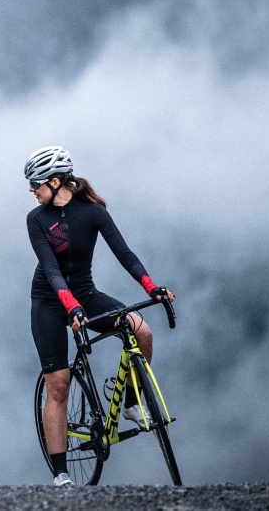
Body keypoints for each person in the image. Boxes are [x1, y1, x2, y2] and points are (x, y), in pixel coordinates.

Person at [24, 145, 174, 487]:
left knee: (142, 332)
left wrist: (152, 288)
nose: (31, 190)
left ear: (55, 182)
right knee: (58, 386)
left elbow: (125, 254)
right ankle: (61, 473)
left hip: (86, 295)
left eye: (35, 184)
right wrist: (70, 307)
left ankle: (132, 403)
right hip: (49, 301)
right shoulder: (36, 219)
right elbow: (51, 269)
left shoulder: (93, 212)